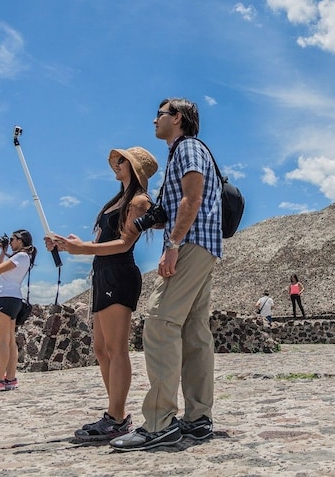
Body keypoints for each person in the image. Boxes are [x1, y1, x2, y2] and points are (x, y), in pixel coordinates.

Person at [110, 97, 221, 451]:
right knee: (193, 333)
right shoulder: (186, 152)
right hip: (204, 246)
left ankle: (159, 423)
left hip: (188, 245)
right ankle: (198, 419)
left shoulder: (187, 148)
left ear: (178, 118)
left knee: (159, 323)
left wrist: (172, 242)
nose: (153, 121)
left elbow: (192, 197)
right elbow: (179, 204)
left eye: (159, 115)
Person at [46, 146, 158, 442]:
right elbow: (102, 240)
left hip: (119, 273)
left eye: (121, 161)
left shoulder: (139, 200)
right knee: (101, 348)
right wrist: (70, 244)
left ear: (134, 168)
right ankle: (115, 412)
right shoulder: (118, 199)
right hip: (103, 274)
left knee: (115, 347)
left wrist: (82, 249)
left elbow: (123, 243)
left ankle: (117, 417)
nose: (115, 164)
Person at [0, 229, 36, 392]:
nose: (10, 242)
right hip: (14, 299)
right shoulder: (24, 257)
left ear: (21, 241)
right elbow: (2, 267)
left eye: (13, 239)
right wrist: (3, 252)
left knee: (3, 341)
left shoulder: (20, 256)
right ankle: (10, 378)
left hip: (5, 298)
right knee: (10, 341)